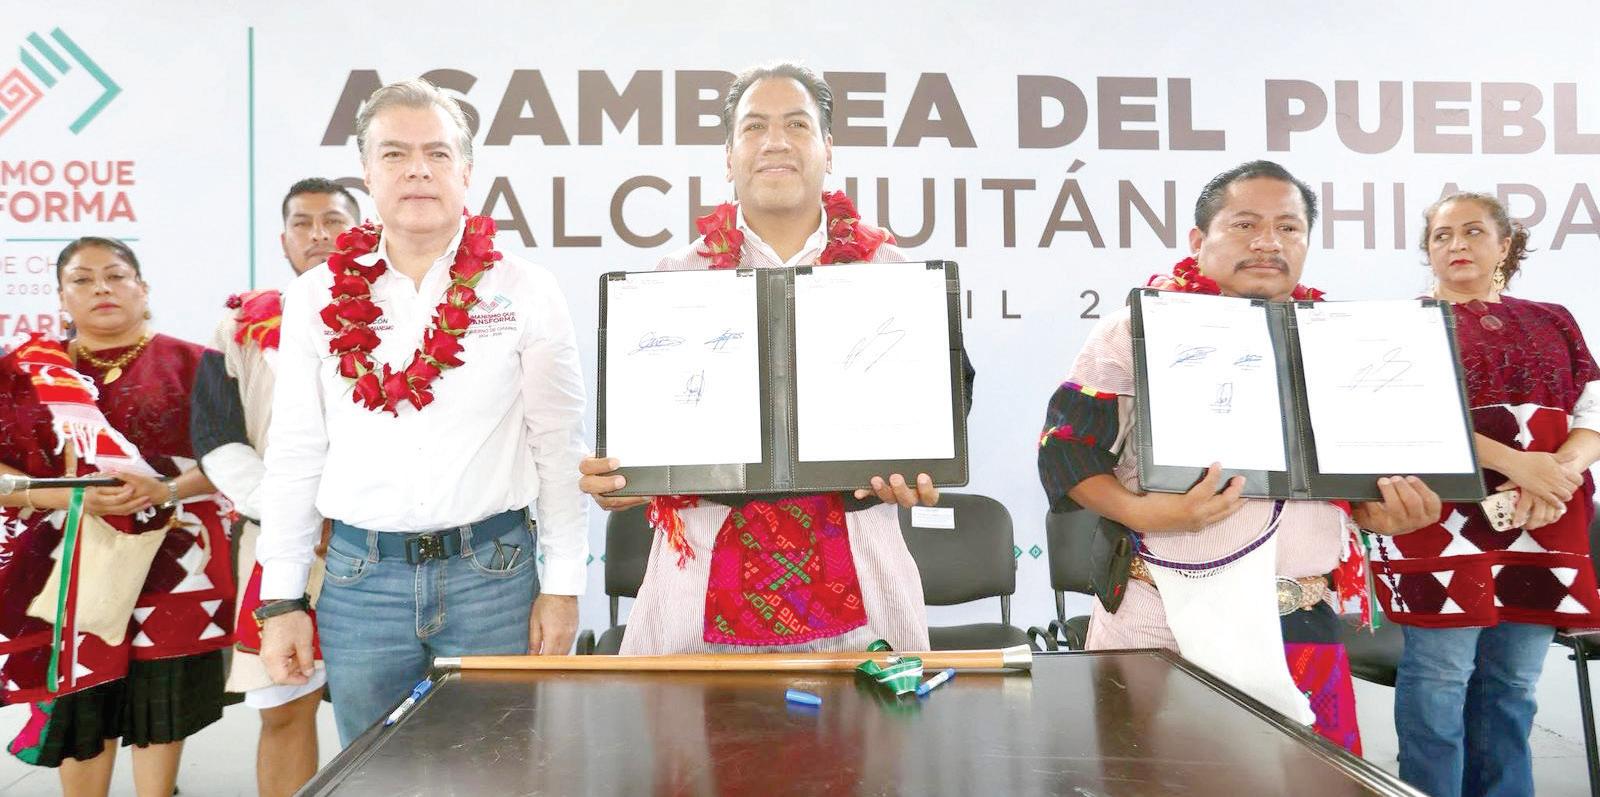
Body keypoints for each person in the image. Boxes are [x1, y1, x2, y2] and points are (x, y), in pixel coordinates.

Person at [1036, 160, 1442, 753]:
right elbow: (1067, 453)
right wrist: (1146, 512)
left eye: (1288, 228)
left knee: (1311, 782)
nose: (1268, 242)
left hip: (1299, 616)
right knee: (1150, 784)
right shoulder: (1133, 331)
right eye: (1245, 224)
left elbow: (1356, 486)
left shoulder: (1341, 342)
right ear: (1198, 240)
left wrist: (1382, 513)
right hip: (1158, 616)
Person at [580, 63, 973, 654]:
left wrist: (920, 464)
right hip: (695, 590)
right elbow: (643, 440)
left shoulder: (894, 276)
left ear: (828, 148)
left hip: (865, 590)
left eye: (797, 124)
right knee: (681, 720)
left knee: (876, 718)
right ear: (729, 156)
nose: (775, 142)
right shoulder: (672, 282)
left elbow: (944, 406)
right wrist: (622, 474)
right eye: (754, 127)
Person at [254, 78, 589, 746]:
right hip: (359, 583)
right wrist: (282, 598)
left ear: (466, 172)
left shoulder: (525, 289)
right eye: (395, 154)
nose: (417, 170)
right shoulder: (315, 296)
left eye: (437, 153)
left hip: (494, 578)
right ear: (367, 172)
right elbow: (295, 454)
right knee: (373, 772)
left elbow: (558, 446)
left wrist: (562, 585)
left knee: (500, 773)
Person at [1370, 191, 1600, 797]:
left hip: (1545, 520)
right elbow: (1400, 418)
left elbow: (1592, 407)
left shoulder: (1553, 319)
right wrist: (1520, 465)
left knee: (1515, 685)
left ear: (1505, 245)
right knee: (1439, 679)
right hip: (1438, 523)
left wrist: (1560, 472)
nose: (1456, 245)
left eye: (1472, 232)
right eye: (1441, 236)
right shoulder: (1400, 325)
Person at [0, 237, 233, 797]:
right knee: (80, 703)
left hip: (177, 561)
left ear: (142, 288)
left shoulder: (197, 363)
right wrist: (67, 498)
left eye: (116, 275)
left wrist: (166, 489)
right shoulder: (21, 373)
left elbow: (233, 459)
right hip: (66, 567)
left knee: (162, 701)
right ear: (61, 298)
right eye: (82, 280)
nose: (101, 288)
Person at [189, 178, 359, 795]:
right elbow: (216, 436)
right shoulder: (239, 327)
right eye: (302, 223)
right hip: (280, 541)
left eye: (334, 221)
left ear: (362, 233)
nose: (319, 234)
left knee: (394, 708)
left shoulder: (406, 313)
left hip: (384, 542)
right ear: (284, 240)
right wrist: (296, 512)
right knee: (285, 707)